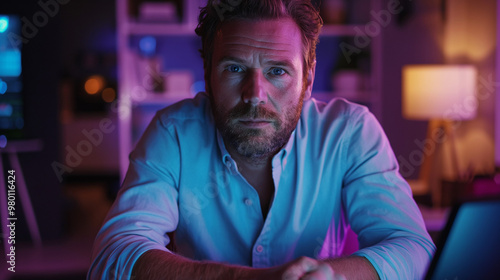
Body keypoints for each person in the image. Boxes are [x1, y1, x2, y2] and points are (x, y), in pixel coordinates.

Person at [88, 0, 435, 279]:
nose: (254, 95)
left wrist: (331, 276)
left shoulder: (349, 132)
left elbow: (413, 248)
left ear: (308, 79)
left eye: (277, 71)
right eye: (235, 68)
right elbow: (115, 256)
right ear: (208, 75)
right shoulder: (173, 132)